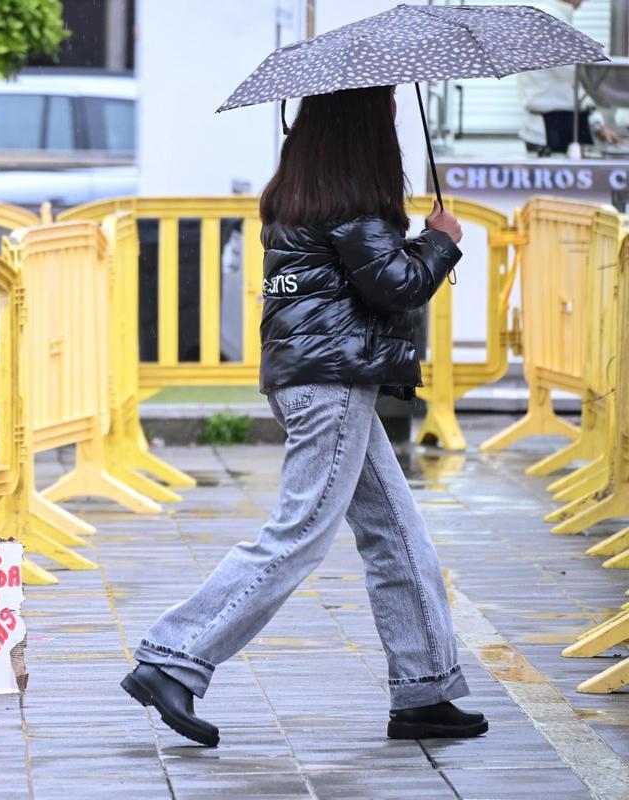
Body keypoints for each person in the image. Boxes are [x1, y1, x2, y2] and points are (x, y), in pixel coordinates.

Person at [120, 86, 487, 748]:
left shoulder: (303, 191)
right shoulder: (351, 200)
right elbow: (395, 285)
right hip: (332, 385)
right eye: (387, 110)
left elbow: (359, 276)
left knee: (397, 534)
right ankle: (173, 656)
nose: (397, 118)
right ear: (364, 126)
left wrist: (415, 241)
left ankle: (425, 690)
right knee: (299, 534)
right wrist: (439, 242)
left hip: (315, 378)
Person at [517, 0, 622, 155]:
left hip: (555, 127)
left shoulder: (550, 16)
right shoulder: (547, 19)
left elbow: (571, 83)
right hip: (554, 130)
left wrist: (595, 124)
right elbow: (580, 76)